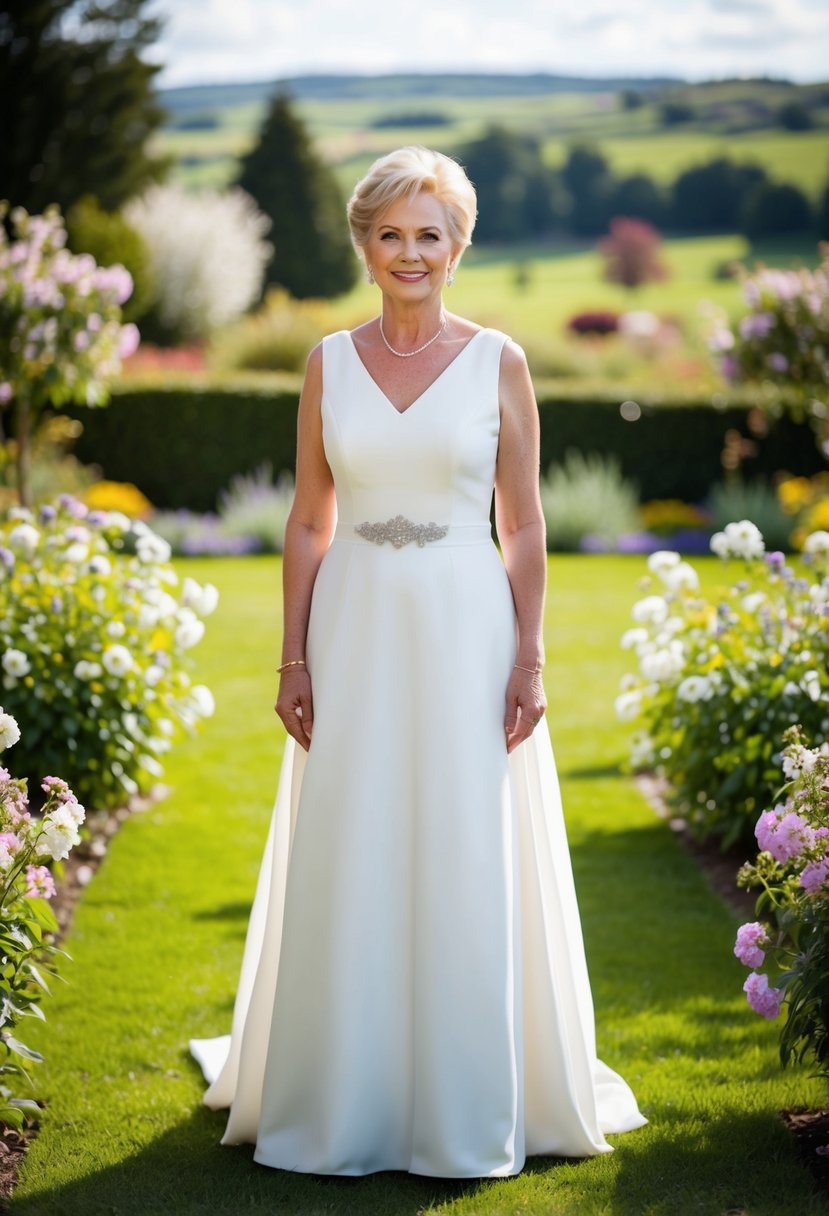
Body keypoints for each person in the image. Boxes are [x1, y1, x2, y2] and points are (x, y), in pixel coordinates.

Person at [189, 145, 647, 1177]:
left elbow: (522, 525)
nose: (409, 252)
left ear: (457, 246)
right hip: (351, 626)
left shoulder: (500, 362)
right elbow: (309, 520)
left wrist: (528, 654)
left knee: (458, 836)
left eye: (427, 235)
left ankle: (463, 1095)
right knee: (353, 836)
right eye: (389, 233)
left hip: (463, 623)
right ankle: (342, 1088)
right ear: (364, 244)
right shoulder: (325, 363)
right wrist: (291, 659)